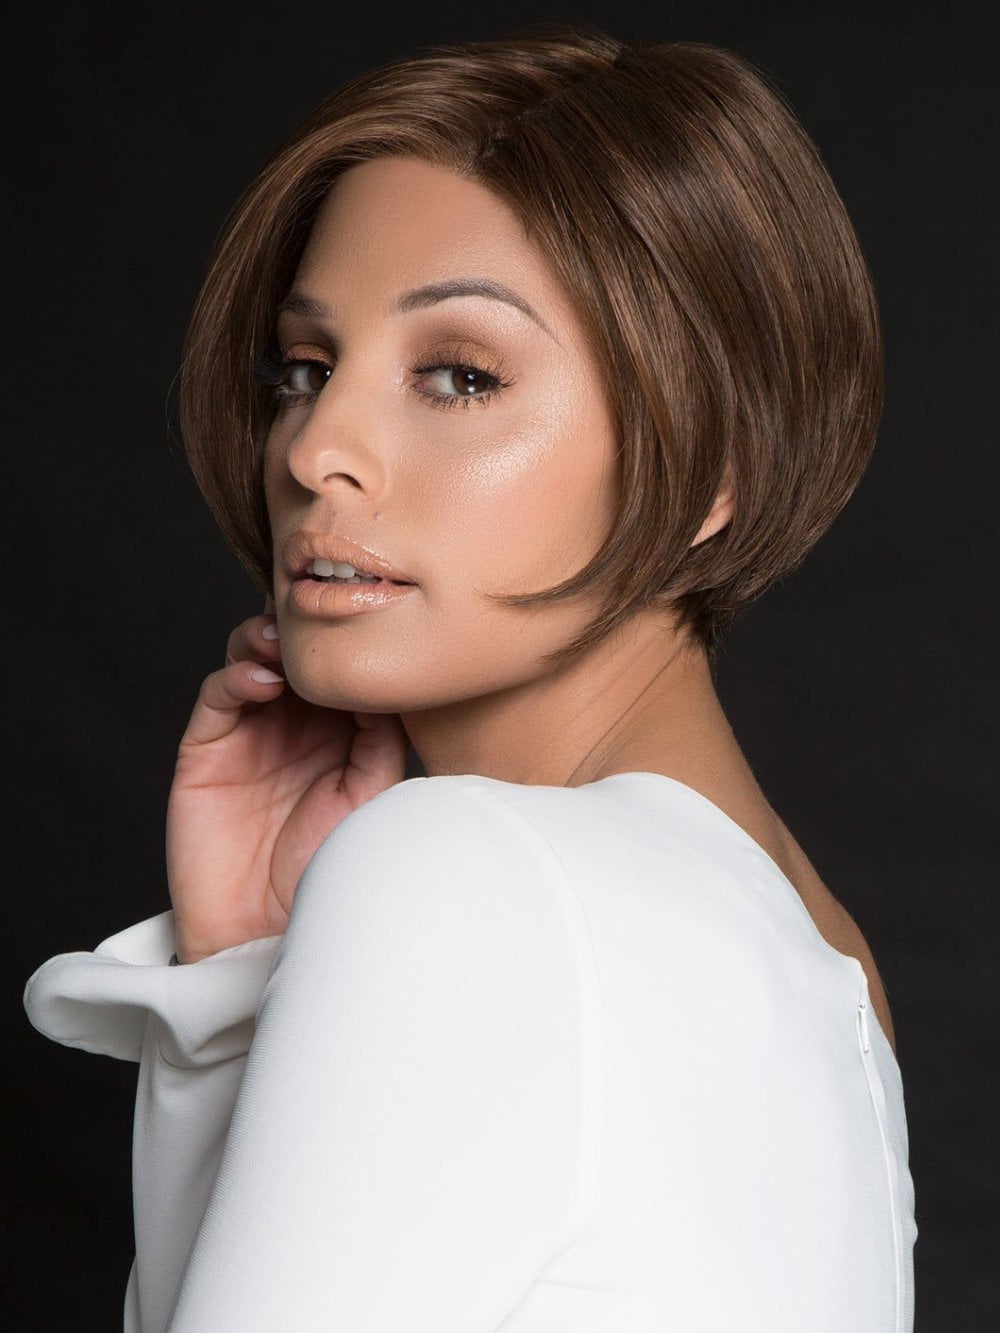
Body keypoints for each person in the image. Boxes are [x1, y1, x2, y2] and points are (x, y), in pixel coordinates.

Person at [23, 21, 917, 1332]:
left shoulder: (471, 869)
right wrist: (240, 979)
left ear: (711, 468)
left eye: (458, 375)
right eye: (304, 370)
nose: (315, 450)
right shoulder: (823, 960)